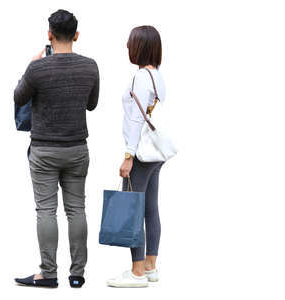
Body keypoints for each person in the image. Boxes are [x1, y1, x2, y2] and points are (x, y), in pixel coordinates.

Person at [14, 9, 99, 288]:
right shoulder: (90, 66)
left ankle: (48, 274)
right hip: (77, 149)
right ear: (76, 35)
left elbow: (18, 97)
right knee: (77, 209)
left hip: (44, 151)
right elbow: (92, 104)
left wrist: (30, 65)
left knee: (46, 211)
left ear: (49, 34)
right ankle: (78, 275)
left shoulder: (37, 68)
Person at [107, 25, 165, 288]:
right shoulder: (158, 76)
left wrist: (128, 155)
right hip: (157, 152)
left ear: (139, 47)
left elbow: (135, 119)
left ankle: (137, 272)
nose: (127, 47)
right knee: (150, 209)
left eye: (130, 43)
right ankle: (150, 266)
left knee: (133, 209)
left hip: (140, 152)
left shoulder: (140, 77)